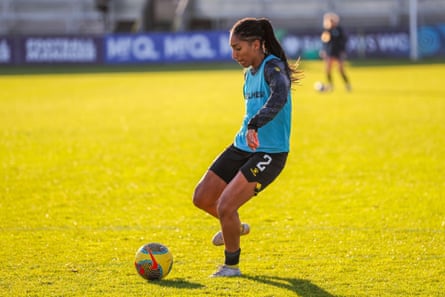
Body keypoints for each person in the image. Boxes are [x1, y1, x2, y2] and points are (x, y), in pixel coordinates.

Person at [192, 17, 301, 277]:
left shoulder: (272, 67)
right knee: (202, 197)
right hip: (242, 146)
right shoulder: (247, 73)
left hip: (270, 152)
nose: (233, 55)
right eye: (232, 48)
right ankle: (235, 226)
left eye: (238, 48)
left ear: (256, 44)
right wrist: (249, 129)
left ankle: (231, 266)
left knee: (226, 206)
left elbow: (279, 95)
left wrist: (255, 124)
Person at [319, 12, 351, 91]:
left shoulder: (340, 30)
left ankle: (347, 84)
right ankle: (330, 85)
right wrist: (324, 51)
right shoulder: (327, 31)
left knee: (341, 69)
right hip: (330, 52)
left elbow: (344, 40)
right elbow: (325, 42)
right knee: (328, 69)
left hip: (338, 52)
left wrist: (343, 51)